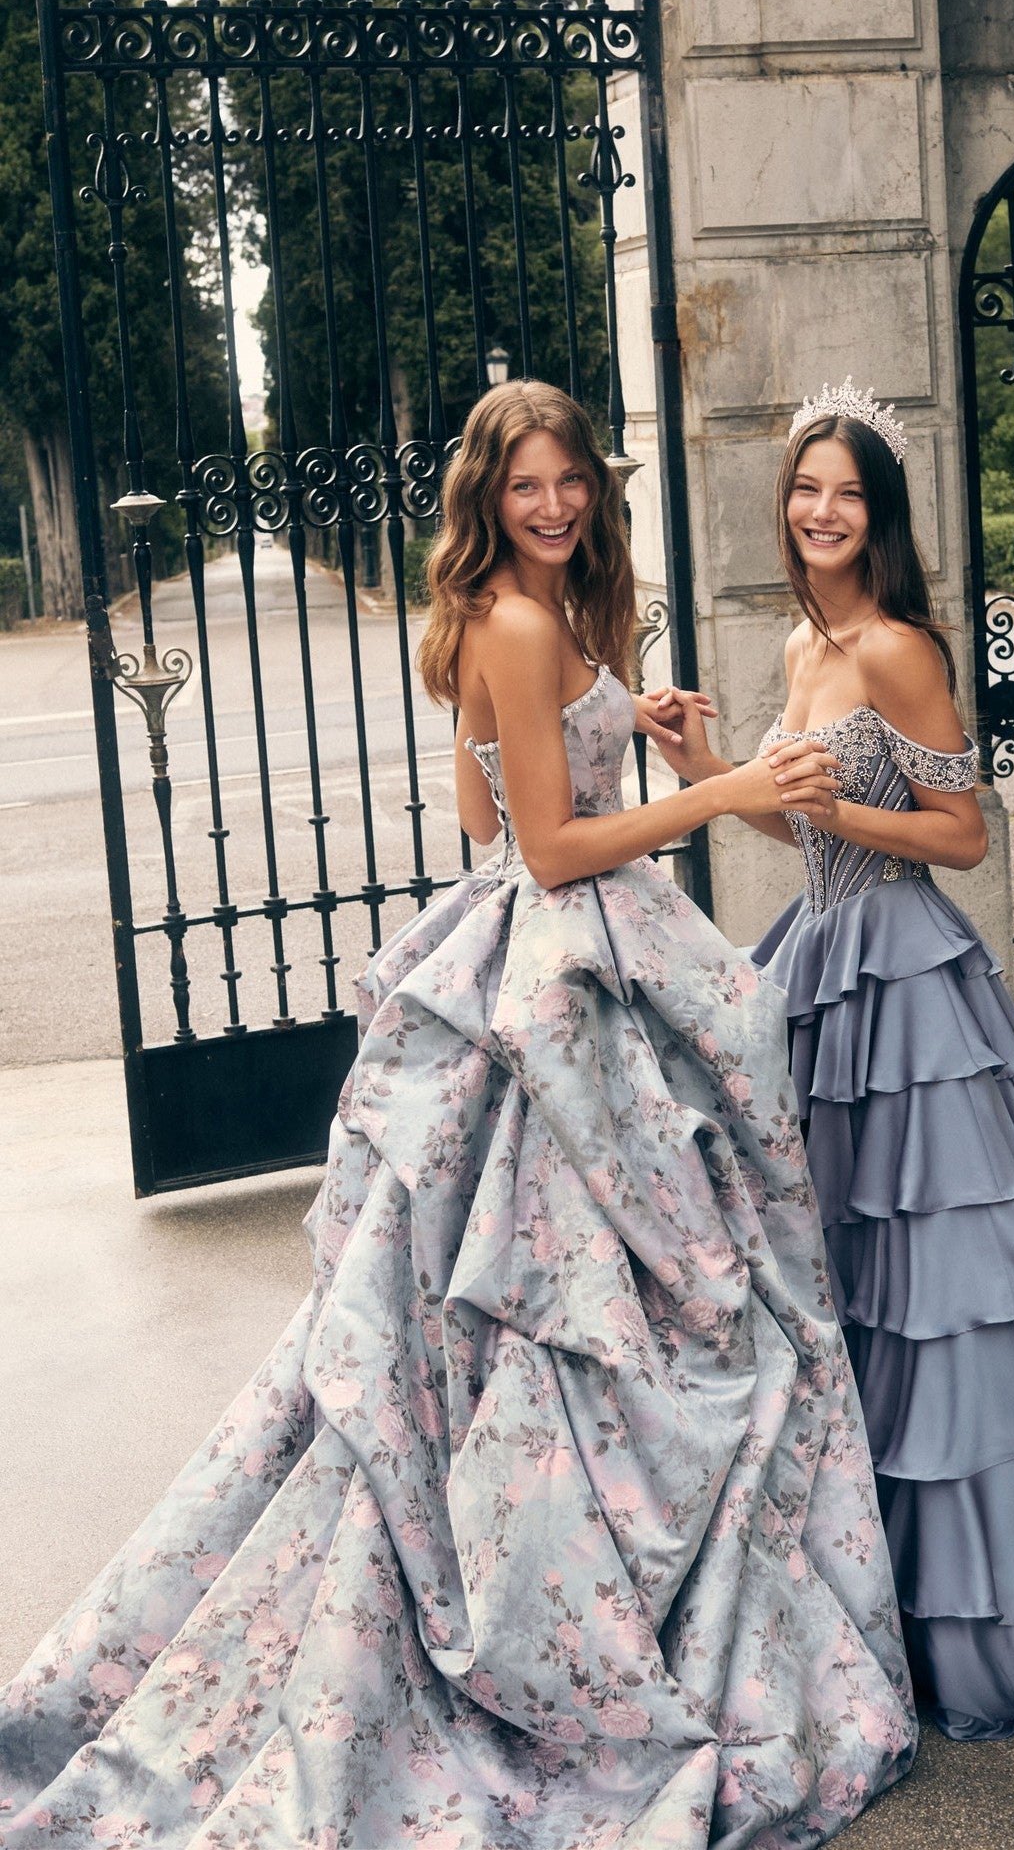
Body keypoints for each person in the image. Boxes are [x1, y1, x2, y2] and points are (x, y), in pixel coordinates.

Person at [0, 381, 916, 1848]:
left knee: (543, 1319)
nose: (553, 506)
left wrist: (626, 724)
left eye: (570, 481)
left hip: (559, 964)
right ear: (487, 498)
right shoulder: (519, 622)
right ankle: (574, 1621)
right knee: (587, 1310)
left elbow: (483, 818)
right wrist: (725, 788)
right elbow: (546, 851)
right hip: (565, 972)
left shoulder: (534, 614)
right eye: (524, 486)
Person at [658, 376, 1014, 1741]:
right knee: (858, 1279)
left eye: (847, 493)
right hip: (821, 964)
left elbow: (962, 834)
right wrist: (708, 763)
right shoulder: (802, 644)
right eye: (805, 488)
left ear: (882, 515)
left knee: (959, 1285)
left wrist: (844, 808)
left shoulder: (899, 649)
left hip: (907, 981)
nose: (821, 510)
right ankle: (876, 1590)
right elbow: (802, 825)